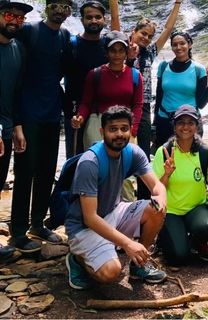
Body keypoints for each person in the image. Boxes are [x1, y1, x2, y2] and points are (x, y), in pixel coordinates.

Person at [65, 106, 167, 289]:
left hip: (113, 212)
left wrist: (161, 200)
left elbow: (157, 186)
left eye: (124, 128)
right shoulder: (90, 162)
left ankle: (139, 265)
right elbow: (90, 218)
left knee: (155, 209)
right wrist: (127, 244)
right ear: (102, 132)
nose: (119, 134)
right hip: (84, 227)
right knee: (111, 273)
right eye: (113, 129)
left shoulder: (133, 152)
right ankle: (77, 259)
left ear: (130, 130)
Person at [11, 0, 74, 253]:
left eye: (65, 7)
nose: (60, 10)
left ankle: (38, 223)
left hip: (51, 114)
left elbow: (65, 72)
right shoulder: (30, 32)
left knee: (47, 171)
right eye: (56, 5)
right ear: (46, 7)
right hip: (28, 114)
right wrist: (17, 123)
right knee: (25, 172)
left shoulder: (64, 37)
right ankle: (17, 231)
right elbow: (15, 72)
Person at [109, 0, 182, 160]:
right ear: (133, 32)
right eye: (143, 33)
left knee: (141, 152)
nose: (146, 38)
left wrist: (177, 3)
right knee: (116, 149)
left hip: (143, 106)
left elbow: (167, 29)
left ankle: (143, 189)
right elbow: (115, 17)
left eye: (150, 36)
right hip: (120, 102)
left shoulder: (149, 52)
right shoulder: (120, 45)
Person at [152, 105, 208, 264]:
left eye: (190, 122)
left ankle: (199, 241)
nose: (185, 127)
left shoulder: (205, 152)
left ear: (197, 126)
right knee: (178, 256)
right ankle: (171, 238)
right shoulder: (163, 152)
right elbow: (156, 190)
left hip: (196, 208)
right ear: (174, 126)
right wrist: (167, 174)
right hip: (171, 211)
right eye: (181, 123)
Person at [0, 0, 33, 260]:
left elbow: (18, 91)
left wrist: (18, 127)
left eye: (20, 17)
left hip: (8, 127)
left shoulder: (18, 49)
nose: (15, 21)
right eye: (9, 15)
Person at [71, 31, 143, 150]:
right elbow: (86, 103)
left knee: (125, 166)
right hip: (97, 125)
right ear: (106, 52)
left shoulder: (135, 75)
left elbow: (138, 105)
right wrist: (80, 117)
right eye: (113, 50)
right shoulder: (94, 74)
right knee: (97, 165)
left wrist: (133, 130)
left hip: (125, 126)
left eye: (121, 50)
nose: (117, 54)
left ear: (126, 53)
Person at [63, 0, 108, 158]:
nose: (94, 20)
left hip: (103, 110)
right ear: (81, 20)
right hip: (76, 109)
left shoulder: (109, 46)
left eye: (98, 17)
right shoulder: (72, 44)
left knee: (102, 155)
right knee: (76, 155)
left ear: (104, 19)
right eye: (89, 17)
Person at [155, 31, 208, 147]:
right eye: (175, 44)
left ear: (190, 44)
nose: (178, 47)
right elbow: (159, 96)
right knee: (165, 160)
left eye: (182, 43)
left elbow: (201, 104)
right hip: (165, 120)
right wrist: (154, 123)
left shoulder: (198, 69)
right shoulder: (163, 67)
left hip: (189, 122)